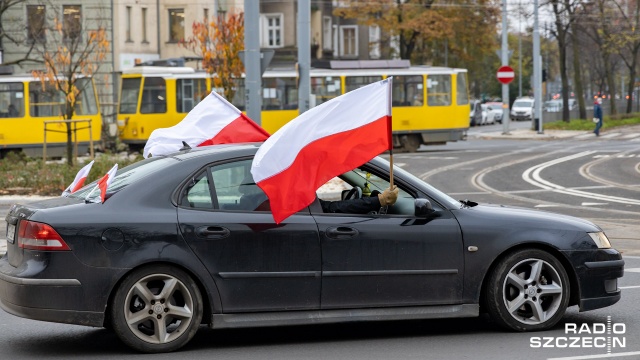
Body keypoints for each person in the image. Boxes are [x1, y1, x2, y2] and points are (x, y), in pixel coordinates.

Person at [320, 186, 399, 214]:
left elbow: (330, 207)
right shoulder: (307, 202)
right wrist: (381, 200)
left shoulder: (308, 201)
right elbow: (331, 208)